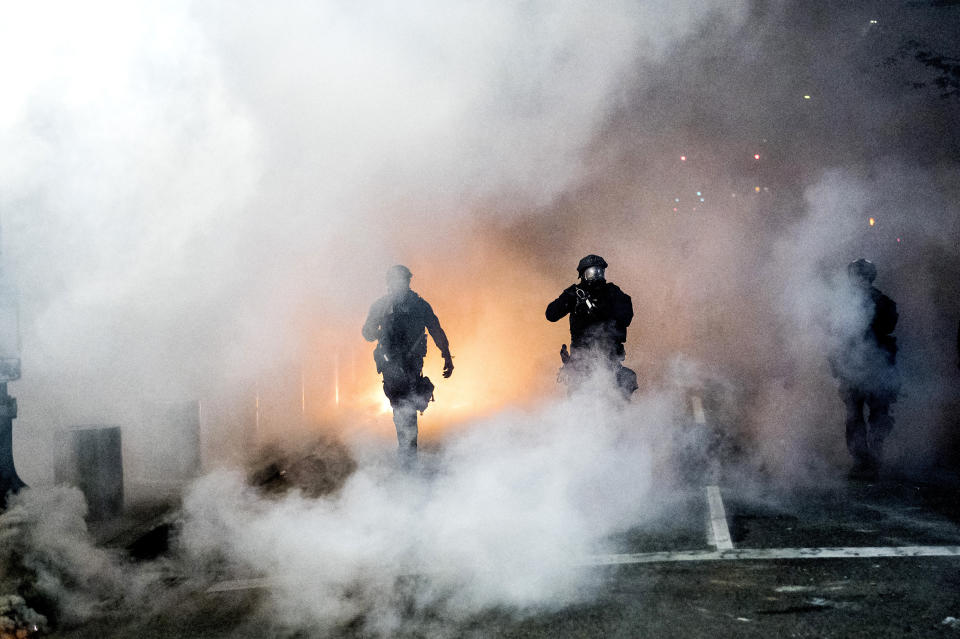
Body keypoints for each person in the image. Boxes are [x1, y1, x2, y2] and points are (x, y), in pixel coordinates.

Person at [363, 265, 454, 464]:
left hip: (412, 364)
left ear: (407, 282)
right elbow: (367, 333)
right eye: (394, 280)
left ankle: (408, 453)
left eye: (401, 280)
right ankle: (406, 450)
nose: (397, 284)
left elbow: (435, 328)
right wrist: (379, 332)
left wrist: (446, 355)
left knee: (409, 406)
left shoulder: (419, 305)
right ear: (389, 283)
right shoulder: (381, 305)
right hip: (390, 365)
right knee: (400, 406)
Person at [828, 258, 899, 479]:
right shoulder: (845, 304)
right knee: (857, 415)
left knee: (872, 414)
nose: (859, 280)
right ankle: (863, 460)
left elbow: (887, 328)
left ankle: (872, 457)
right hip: (854, 367)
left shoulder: (883, 303)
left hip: (876, 366)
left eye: (861, 275)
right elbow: (835, 337)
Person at [545, 254, 637, 397]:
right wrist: (568, 299)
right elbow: (550, 315)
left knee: (620, 392)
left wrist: (603, 311)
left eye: (601, 271)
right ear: (583, 274)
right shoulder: (575, 293)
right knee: (579, 398)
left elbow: (626, 317)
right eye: (593, 272)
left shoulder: (613, 292)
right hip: (581, 359)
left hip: (610, 358)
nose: (598, 275)